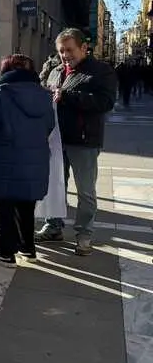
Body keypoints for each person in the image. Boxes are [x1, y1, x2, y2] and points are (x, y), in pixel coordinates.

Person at [37, 28, 118, 256]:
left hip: (84, 141)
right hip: (55, 139)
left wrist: (68, 96)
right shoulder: (55, 71)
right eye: (61, 51)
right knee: (55, 186)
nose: (65, 55)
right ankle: (53, 226)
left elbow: (105, 102)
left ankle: (84, 234)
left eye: (69, 50)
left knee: (85, 191)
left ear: (84, 48)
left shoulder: (101, 71)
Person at [0, 54, 55, 267]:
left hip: (4, 158)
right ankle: (28, 248)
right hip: (35, 159)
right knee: (27, 206)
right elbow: (49, 126)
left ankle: (6, 253)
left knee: (4, 207)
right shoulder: (44, 95)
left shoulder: (0, 93)